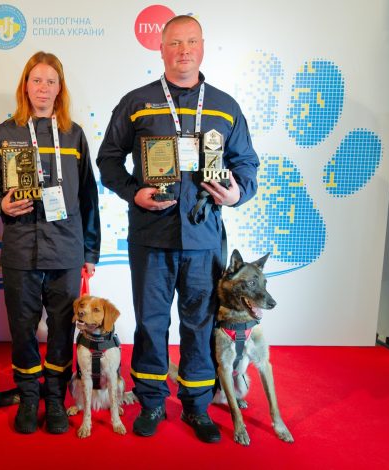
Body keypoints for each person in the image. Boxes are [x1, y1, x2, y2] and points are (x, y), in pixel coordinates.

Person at [96, 16, 259, 443]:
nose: (183, 50)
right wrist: (134, 193)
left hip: (204, 240)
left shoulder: (225, 106)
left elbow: (247, 166)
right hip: (151, 236)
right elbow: (108, 160)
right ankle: (151, 402)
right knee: (150, 323)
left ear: (202, 46)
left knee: (199, 324)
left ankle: (197, 406)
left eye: (190, 42)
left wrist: (235, 193)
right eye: (174, 43)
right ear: (161, 48)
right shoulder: (138, 102)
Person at [0, 51, 100, 435]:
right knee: (23, 330)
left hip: (65, 251)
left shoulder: (74, 134)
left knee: (63, 331)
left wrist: (90, 253)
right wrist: (2, 204)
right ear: (25, 86)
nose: (43, 88)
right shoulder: (7, 132)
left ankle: (55, 399)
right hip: (20, 252)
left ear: (60, 88)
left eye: (50, 81)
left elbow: (88, 198)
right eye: (36, 80)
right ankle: (30, 397)